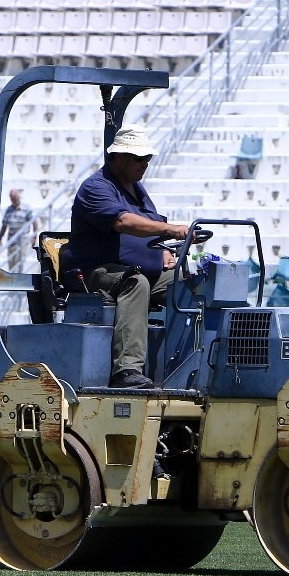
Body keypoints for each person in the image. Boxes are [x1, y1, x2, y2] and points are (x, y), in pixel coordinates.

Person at [59, 124, 190, 389]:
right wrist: (169, 229)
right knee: (135, 282)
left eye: (148, 158)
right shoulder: (96, 188)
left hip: (139, 267)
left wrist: (164, 249)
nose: (145, 164)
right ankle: (127, 369)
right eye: (139, 158)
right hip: (94, 271)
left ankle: (184, 365)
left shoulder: (137, 189)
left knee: (186, 286)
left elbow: (146, 225)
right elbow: (123, 222)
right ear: (118, 156)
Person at [0, 189, 39, 271]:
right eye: (13, 199)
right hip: (11, 241)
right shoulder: (9, 210)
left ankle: (18, 281)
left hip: (22, 241)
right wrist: (0, 238)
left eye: (16, 199)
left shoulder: (26, 208)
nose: (15, 201)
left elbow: (34, 222)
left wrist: (34, 236)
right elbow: (4, 225)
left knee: (18, 263)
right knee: (11, 264)